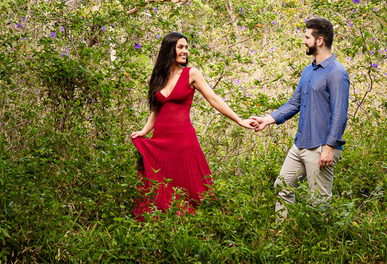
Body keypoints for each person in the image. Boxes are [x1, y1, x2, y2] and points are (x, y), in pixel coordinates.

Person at [131, 31, 252, 218]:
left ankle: (207, 220)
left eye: (186, 47)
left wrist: (240, 120)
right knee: (161, 182)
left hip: (184, 138)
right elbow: (156, 110)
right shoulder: (154, 79)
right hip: (161, 139)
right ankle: (166, 220)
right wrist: (144, 131)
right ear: (169, 49)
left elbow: (214, 99)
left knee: (194, 184)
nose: (185, 51)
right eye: (180, 47)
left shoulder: (191, 74)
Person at [249, 16, 349, 215]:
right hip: (300, 144)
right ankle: (282, 232)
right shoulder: (308, 71)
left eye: (307, 37)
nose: (303, 41)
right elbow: (295, 103)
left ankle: (322, 235)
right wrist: (266, 120)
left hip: (321, 147)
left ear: (319, 40)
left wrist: (329, 148)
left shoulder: (337, 73)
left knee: (320, 202)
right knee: (282, 187)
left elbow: (340, 114)